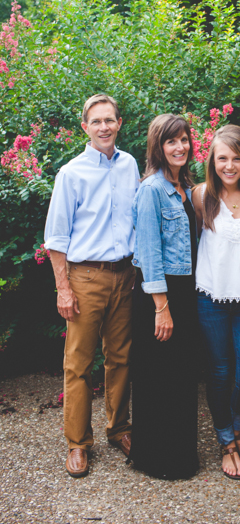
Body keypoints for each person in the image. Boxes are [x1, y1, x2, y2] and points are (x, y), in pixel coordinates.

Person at [44, 94, 140, 477]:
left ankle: (119, 429)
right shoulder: (71, 173)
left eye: (109, 120)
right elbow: (56, 239)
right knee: (79, 365)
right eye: (96, 121)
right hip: (85, 278)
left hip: (125, 275)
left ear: (119, 123)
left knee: (121, 357)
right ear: (85, 127)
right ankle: (78, 444)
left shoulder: (130, 165)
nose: (104, 127)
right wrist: (63, 289)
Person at [192, 125, 240, 480]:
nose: (230, 165)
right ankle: (225, 440)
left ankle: (237, 427)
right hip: (211, 298)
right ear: (212, 160)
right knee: (220, 373)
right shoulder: (201, 195)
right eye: (223, 158)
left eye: (237, 158)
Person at [130, 114, 200, 479]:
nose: (180, 147)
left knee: (181, 375)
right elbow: (148, 252)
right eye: (171, 141)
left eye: (184, 139)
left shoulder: (186, 187)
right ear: (158, 146)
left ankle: (181, 453)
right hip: (161, 295)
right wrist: (162, 307)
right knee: (159, 377)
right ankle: (158, 459)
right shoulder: (152, 189)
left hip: (184, 293)